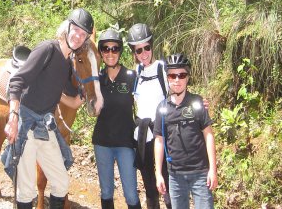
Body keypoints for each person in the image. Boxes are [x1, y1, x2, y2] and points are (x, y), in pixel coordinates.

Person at [5, 8, 96, 209]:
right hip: (26, 122)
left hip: (45, 125)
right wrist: (13, 117)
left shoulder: (67, 63)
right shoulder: (47, 49)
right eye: (76, 30)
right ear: (68, 27)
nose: (78, 37)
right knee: (26, 188)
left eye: (83, 35)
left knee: (61, 182)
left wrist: (87, 97)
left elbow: (68, 101)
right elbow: (17, 81)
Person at [153, 53, 218, 209]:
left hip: (200, 173)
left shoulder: (197, 102)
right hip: (175, 175)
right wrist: (158, 174)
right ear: (167, 77)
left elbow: (208, 135)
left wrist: (213, 170)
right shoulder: (162, 108)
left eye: (181, 75)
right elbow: (159, 141)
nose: (177, 80)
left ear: (187, 77)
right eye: (172, 75)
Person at [92, 28, 141, 209]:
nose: (110, 53)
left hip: (125, 143)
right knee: (106, 192)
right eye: (105, 48)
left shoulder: (131, 77)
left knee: (131, 193)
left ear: (120, 51)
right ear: (101, 52)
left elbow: (153, 97)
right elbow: (77, 97)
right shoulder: (96, 79)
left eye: (114, 48)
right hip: (102, 142)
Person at [127, 23, 172, 209]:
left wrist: (198, 103)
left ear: (152, 46)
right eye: (139, 50)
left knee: (166, 178)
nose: (144, 53)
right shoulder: (136, 73)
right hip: (142, 134)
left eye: (147, 47)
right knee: (147, 180)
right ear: (134, 53)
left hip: (161, 132)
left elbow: (178, 91)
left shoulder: (163, 68)